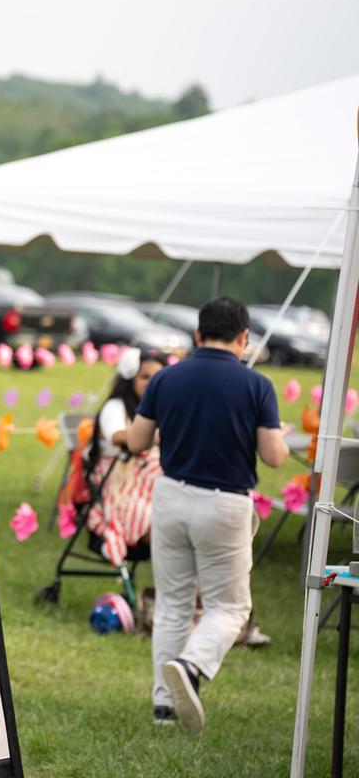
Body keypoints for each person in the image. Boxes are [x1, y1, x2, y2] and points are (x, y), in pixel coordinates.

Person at [127, 297, 289, 732]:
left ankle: (164, 706)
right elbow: (274, 457)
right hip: (225, 502)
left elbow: (138, 441)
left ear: (197, 335)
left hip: (172, 495)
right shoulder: (257, 385)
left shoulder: (165, 378)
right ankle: (192, 665)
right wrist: (283, 437)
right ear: (244, 337)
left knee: (173, 605)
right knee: (230, 607)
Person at [85, 347, 166, 566]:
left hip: (149, 480)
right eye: (144, 377)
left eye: (156, 378)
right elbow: (116, 436)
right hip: (118, 483)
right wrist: (155, 435)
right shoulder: (116, 406)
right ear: (131, 378)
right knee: (155, 518)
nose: (151, 383)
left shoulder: (161, 407)